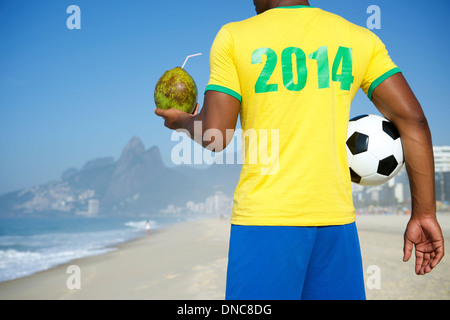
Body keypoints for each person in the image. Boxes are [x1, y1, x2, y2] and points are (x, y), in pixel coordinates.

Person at [155, 0, 444, 299]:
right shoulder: (359, 38)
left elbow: (216, 135)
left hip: (265, 223)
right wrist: (424, 214)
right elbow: (414, 120)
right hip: (337, 224)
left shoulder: (233, 36)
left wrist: (183, 122)